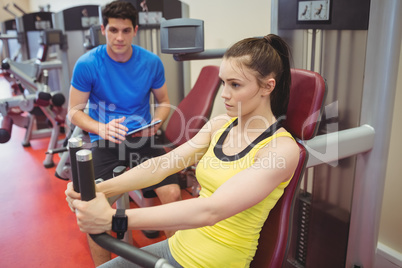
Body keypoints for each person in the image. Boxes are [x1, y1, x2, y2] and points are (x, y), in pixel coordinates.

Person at [66, 33, 300, 267]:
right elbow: (163, 165)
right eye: (223, 83)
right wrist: (100, 189)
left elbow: (211, 210)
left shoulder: (280, 149)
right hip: (177, 247)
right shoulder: (220, 125)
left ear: (267, 87)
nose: (225, 94)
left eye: (235, 85)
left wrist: (114, 219)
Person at [67, 1, 181, 266]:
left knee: (174, 195)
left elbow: (164, 101)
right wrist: (101, 128)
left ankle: (177, 261)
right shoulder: (88, 64)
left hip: (143, 139)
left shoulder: (151, 62)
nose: (119, 37)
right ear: (104, 29)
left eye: (126, 31)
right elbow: (74, 111)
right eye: (113, 30)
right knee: (93, 206)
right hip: (105, 141)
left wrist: (157, 121)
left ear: (135, 30)